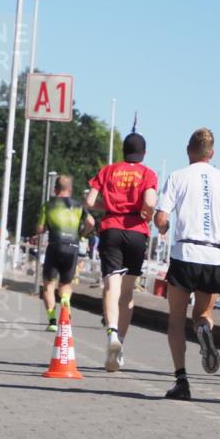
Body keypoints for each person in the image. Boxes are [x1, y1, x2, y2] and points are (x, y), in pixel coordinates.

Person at [154, 128, 220, 400]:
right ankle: (205, 330)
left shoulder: (178, 176)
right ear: (212, 153)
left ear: (188, 151)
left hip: (185, 253)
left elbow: (161, 217)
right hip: (215, 256)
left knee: (176, 319)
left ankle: (181, 380)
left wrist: (165, 227)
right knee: (203, 314)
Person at [85, 131, 158, 371]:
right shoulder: (147, 173)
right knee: (127, 292)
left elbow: (89, 201)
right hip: (137, 230)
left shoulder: (108, 170)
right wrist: (147, 212)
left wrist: (106, 206)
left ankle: (112, 334)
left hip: (111, 228)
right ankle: (121, 344)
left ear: (123, 150)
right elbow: (149, 201)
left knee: (111, 284)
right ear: (144, 153)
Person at [39, 175, 94, 331]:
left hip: (55, 245)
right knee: (66, 284)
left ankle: (51, 321)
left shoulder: (49, 205)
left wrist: (45, 228)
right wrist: (82, 234)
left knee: (49, 285)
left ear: (55, 189)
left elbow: (40, 229)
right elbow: (91, 222)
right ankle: (65, 301)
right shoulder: (78, 205)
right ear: (70, 190)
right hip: (73, 246)